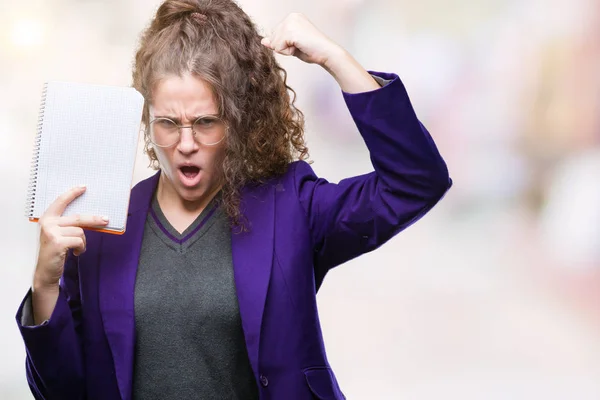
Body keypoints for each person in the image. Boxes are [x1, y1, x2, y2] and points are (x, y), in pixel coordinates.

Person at [15, 0, 451, 399]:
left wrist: (334, 58)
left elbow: (415, 182)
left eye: (205, 122)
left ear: (239, 120)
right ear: (145, 119)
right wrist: (45, 285)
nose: (186, 143)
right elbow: (63, 391)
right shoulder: (103, 227)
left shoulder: (292, 208)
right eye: (168, 123)